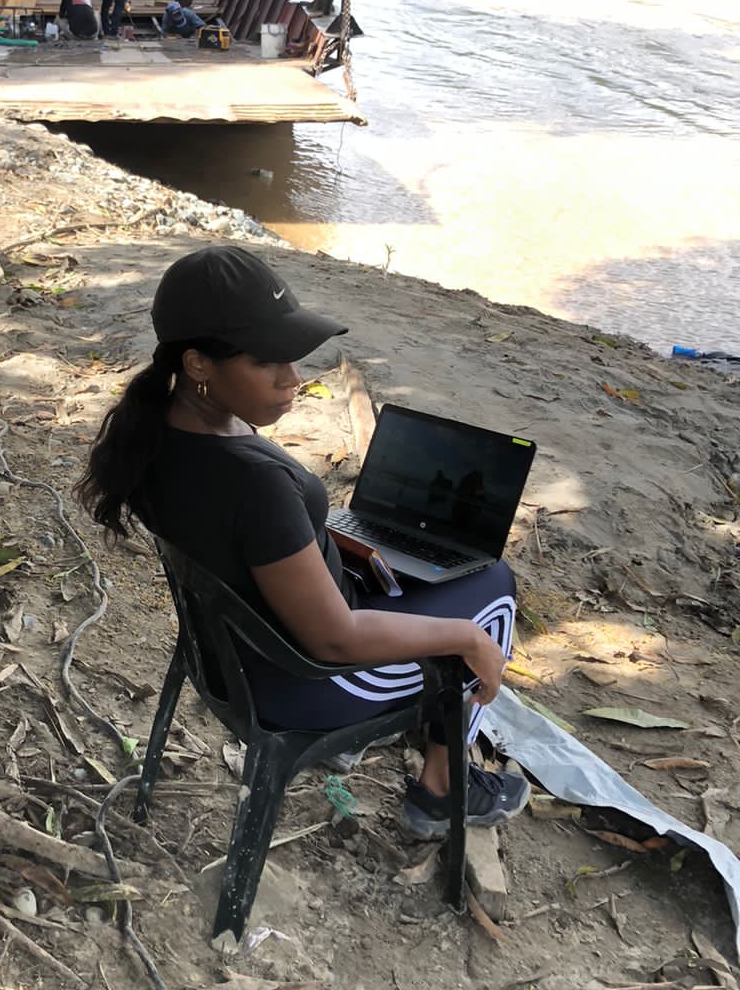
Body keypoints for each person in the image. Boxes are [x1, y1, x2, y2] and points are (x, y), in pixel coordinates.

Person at [76, 245, 529, 839]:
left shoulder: (159, 430)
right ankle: (441, 791)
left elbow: (244, 537)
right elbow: (334, 639)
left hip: (228, 654)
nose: (292, 378)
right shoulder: (254, 483)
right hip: (303, 682)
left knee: (438, 578)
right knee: (494, 588)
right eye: (267, 362)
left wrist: (317, 531)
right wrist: (467, 638)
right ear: (199, 364)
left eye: (292, 356)